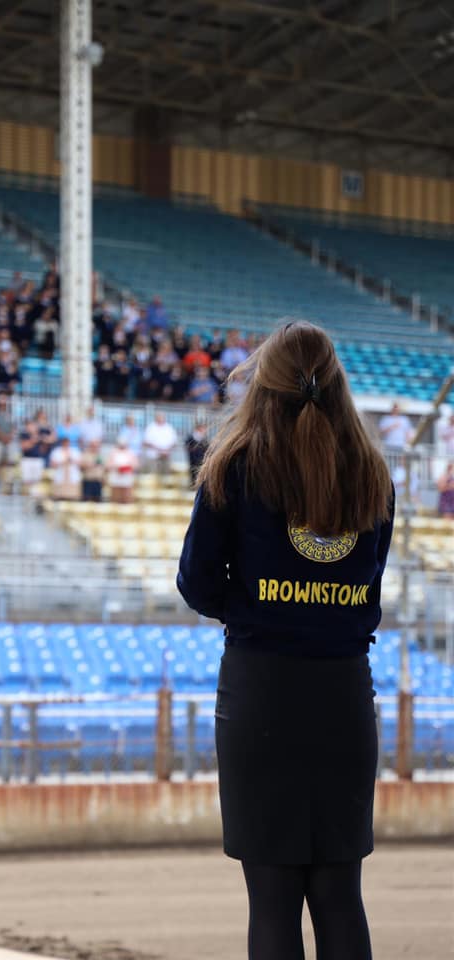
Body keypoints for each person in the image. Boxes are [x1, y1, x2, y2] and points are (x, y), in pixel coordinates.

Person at [177, 321, 394, 960]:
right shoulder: (372, 472)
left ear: (262, 385)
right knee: (340, 895)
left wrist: (252, 612)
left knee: (271, 903)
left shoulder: (235, 464)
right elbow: (371, 597)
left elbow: (195, 583)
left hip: (260, 693)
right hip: (343, 696)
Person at [106, 437, 138, 504]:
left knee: (126, 496)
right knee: (115, 497)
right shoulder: (113, 452)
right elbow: (108, 465)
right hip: (116, 476)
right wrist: (116, 467)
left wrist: (127, 468)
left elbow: (135, 465)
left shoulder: (130, 453)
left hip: (126, 477)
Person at [185, 421, 208, 487]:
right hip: (193, 458)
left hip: (201, 458)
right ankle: (193, 485)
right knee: (193, 472)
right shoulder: (191, 437)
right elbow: (187, 446)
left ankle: (198, 485)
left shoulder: (204, 439)